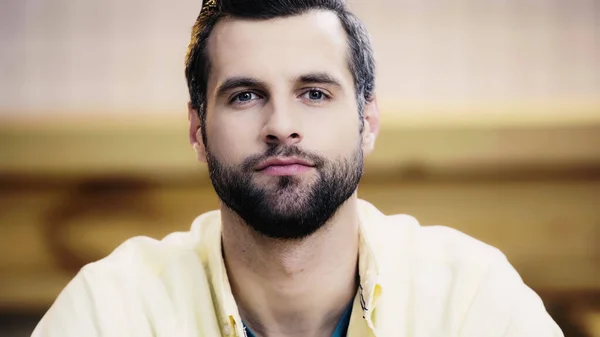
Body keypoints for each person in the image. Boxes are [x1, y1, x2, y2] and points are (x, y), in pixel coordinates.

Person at [32, 0, 564, 336]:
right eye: (244, 96)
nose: (281, 126)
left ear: (368, 121)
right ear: (197, 130)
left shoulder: (468, 299)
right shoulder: (112, 311)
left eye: (314, 92)